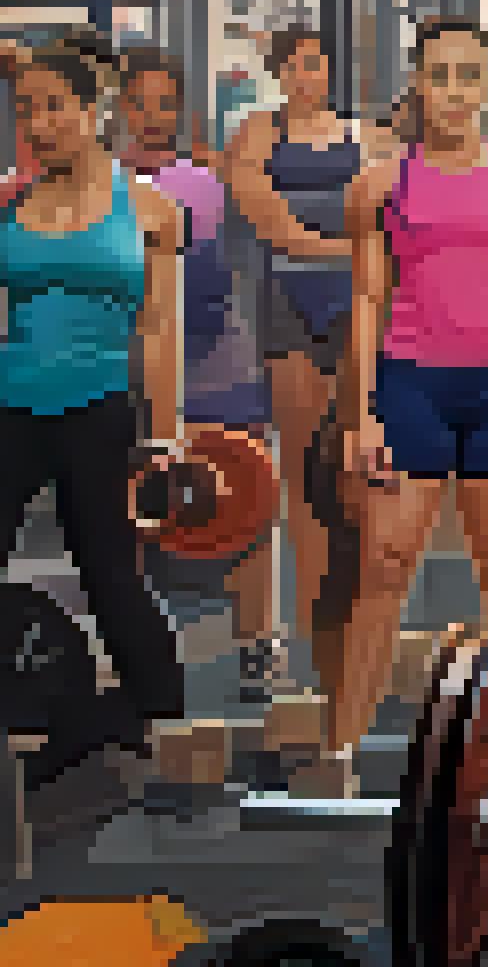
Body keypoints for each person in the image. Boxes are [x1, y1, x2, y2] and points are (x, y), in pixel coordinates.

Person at [325, 17, 488, 799]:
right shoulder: (378, 186)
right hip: (412, 385)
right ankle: (340, 751)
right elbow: (368, 300)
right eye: (440, 76)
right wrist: (363, 413)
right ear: (418, 85)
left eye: (469, 76)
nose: (455, 92)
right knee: (384, 564)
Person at [0, 35, 188, 756]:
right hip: (12, 409)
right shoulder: (11, 203)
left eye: (54, 107)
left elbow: (160, 329)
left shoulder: (150, 209)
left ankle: (165, 727)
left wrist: (165, 435)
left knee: (111, 575)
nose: (39, 123)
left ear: (92, 110)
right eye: (26, 110)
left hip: (100, 409)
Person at [119, 48, 292, 706]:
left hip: (219, 365)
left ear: (182, 111)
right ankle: (134, 652)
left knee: (252, 500)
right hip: (136, 369)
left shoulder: (214, 181)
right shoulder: (100, 186)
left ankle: (258, 645)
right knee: (127, 512)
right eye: (141, 103)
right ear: (121, 108)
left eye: (164, 104)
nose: (153, 116)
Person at [222, 28, 374, 705]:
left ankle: (355, 637)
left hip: (356, 309)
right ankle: (308, 648)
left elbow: (392, 220)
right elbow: (273, 226)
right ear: (279, 73)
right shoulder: (258, 135)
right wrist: (349, 250)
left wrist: (351, 254)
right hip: (289, 303)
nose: (307, 75)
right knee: (302, 474)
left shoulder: (367, 138)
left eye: (317, 63)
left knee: (352, 470)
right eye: (295, 64)